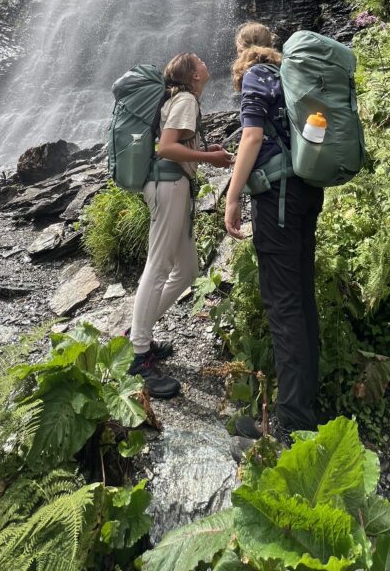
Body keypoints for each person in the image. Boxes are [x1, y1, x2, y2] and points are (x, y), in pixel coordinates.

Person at [224, 22, 324, 443]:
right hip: (306, 189)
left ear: (242, 48)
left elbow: (251, 136)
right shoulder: (289, 73)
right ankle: (306, 405)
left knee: (283, 305)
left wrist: (232, 198)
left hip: (278, 198)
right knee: (300, 296)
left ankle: (292, 426)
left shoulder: (255, 75)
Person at [128, 51, 233, 397]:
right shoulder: (186, 98)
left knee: (187, 270)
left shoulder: (181, 98)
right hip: (169, 186)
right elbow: (167, 148)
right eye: (201, 61)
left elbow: (178, 144)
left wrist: (205, 148)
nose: (206, 63)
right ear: (193, 76)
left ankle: (137, 333)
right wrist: (208, 158)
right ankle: (139, 356)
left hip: (174, 186)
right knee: (157, 267)